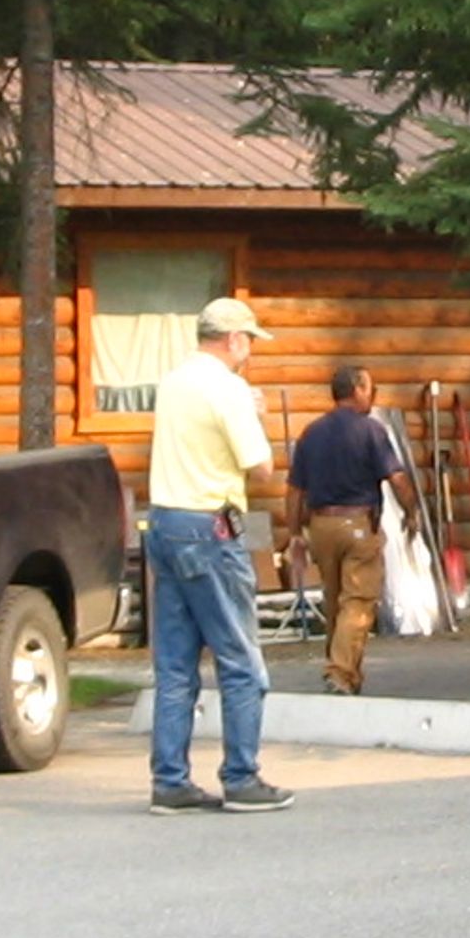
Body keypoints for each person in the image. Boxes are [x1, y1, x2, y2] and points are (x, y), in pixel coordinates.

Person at [142, 297, 294, 814]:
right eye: (248, 341)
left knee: (176, 663)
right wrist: (254, 413)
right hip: (211, 525)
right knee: (240, 659)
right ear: (232, 340)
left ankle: (170, 779)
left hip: (165, 522)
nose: (249, 351)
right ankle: (241, 775)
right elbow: (261, 465)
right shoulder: (228, 389)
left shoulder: (175, 380)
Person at [280, 364, 428, 696]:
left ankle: (348, 677)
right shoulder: (371, 431)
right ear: (357, 389)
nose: (373, 397)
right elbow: (398, 478)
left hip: (320, 526)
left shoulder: (311, 433)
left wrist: (294, 535)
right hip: (358, 523)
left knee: (336, 603)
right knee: (359, 601)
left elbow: (294, 491)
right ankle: (340, 672)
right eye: (370, 389)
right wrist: (411, 512)